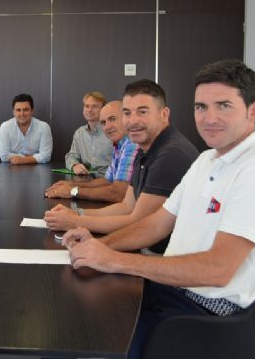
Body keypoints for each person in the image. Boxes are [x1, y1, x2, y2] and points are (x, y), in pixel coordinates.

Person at [62, 59, 255, 359]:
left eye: (223, 106)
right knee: (76, 307)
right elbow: (157, 223)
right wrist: (100, 247)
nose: (209, 118)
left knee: (82, 332)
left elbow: (219, 270)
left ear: (254, 111)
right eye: (201, 107)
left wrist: (114, 260)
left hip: (202, 313)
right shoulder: (207, 160)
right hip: (172, 290)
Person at [44, 79, 198, 254]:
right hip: (148, 248)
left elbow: (138, 223)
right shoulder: (145, 148)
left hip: (165, 256)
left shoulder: (171, 154)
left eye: (142, 112)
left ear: (164, 114)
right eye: (127, 113)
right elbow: (126, 206)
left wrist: (76, 222)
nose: (132, 121)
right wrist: (77, 214)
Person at [45, 101, 139, 203]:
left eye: (112, 119)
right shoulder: (119, 144)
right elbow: (108, 180)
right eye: (103, 123)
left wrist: (72, 191)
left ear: (127, 118)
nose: (107, 127)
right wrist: (71, 184)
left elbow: (118, 194)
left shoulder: (132, 143)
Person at [64, 92, 113, 177]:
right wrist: (74, 165)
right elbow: (71, 156)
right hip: (85, 178)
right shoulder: (80, 133)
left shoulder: (111, 131)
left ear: (103, 109)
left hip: (108, 179)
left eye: (94, 106)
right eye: (87, 106)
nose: (89, 110)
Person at [0, 93, 52, 165]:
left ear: (32, 110)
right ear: (13, 112)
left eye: (26, 110)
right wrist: (34, 157)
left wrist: (22, 160)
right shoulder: (5, 127)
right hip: (11, 169)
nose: (22, 113)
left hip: (37, 168)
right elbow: (4, 156)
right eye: (18, 110)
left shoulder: (44, 127)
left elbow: (46, 156)